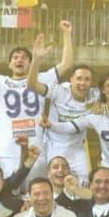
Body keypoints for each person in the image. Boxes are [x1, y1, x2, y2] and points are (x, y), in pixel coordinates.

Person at [0, 19, 74, 175]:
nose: (19, 60)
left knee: (36, 190)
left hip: (35, 152)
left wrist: (67, 34)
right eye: (15, 57)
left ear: (30, 63)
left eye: (24, 57)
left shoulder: (41, 79)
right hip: (7, 154)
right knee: (9, 190)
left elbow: (67, 63)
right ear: (9, 64)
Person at [25, 41, 98, 184]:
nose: (82, 83)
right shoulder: (59, 90)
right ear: (71, 80)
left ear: (91, 82)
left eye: (87, 79)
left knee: (83, 186)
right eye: (79, 78)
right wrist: (36, 60)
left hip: (77, 149)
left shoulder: (96, 95)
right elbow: (32, 86)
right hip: (54, 147)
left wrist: (102, 107)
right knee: (55, 186)